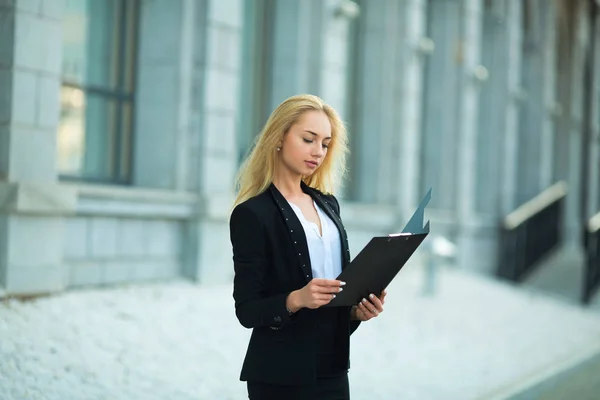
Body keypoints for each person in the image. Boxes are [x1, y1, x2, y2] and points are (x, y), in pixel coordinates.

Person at [229, 94, 387, 400]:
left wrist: (356, 311)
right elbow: (247, 310)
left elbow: (336, 295)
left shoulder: (328, 205)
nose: (318, 151)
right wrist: (297, 299)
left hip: (334, 369)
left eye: (325, 144)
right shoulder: (252, 214)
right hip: (279, 376)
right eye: (308, 139)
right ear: (279, 138)